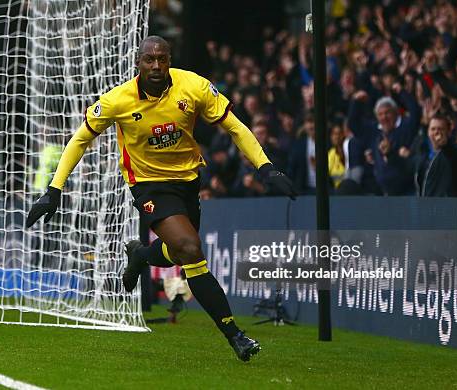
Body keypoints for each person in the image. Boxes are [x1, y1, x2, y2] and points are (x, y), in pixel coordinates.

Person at [25, 36, 297, 361]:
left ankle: (140, 256)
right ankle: (234, 335)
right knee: (190, 249)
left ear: (170, 59)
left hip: (189, 180)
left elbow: (235, 127)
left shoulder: (194, 86)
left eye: (162, 59)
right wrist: (55, 189)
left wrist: (266, 169)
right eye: (149, 60)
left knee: (175, 252)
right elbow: (80, 139)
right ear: (137, 62)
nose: (156, 66)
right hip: (149, 185)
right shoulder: (118, 100)